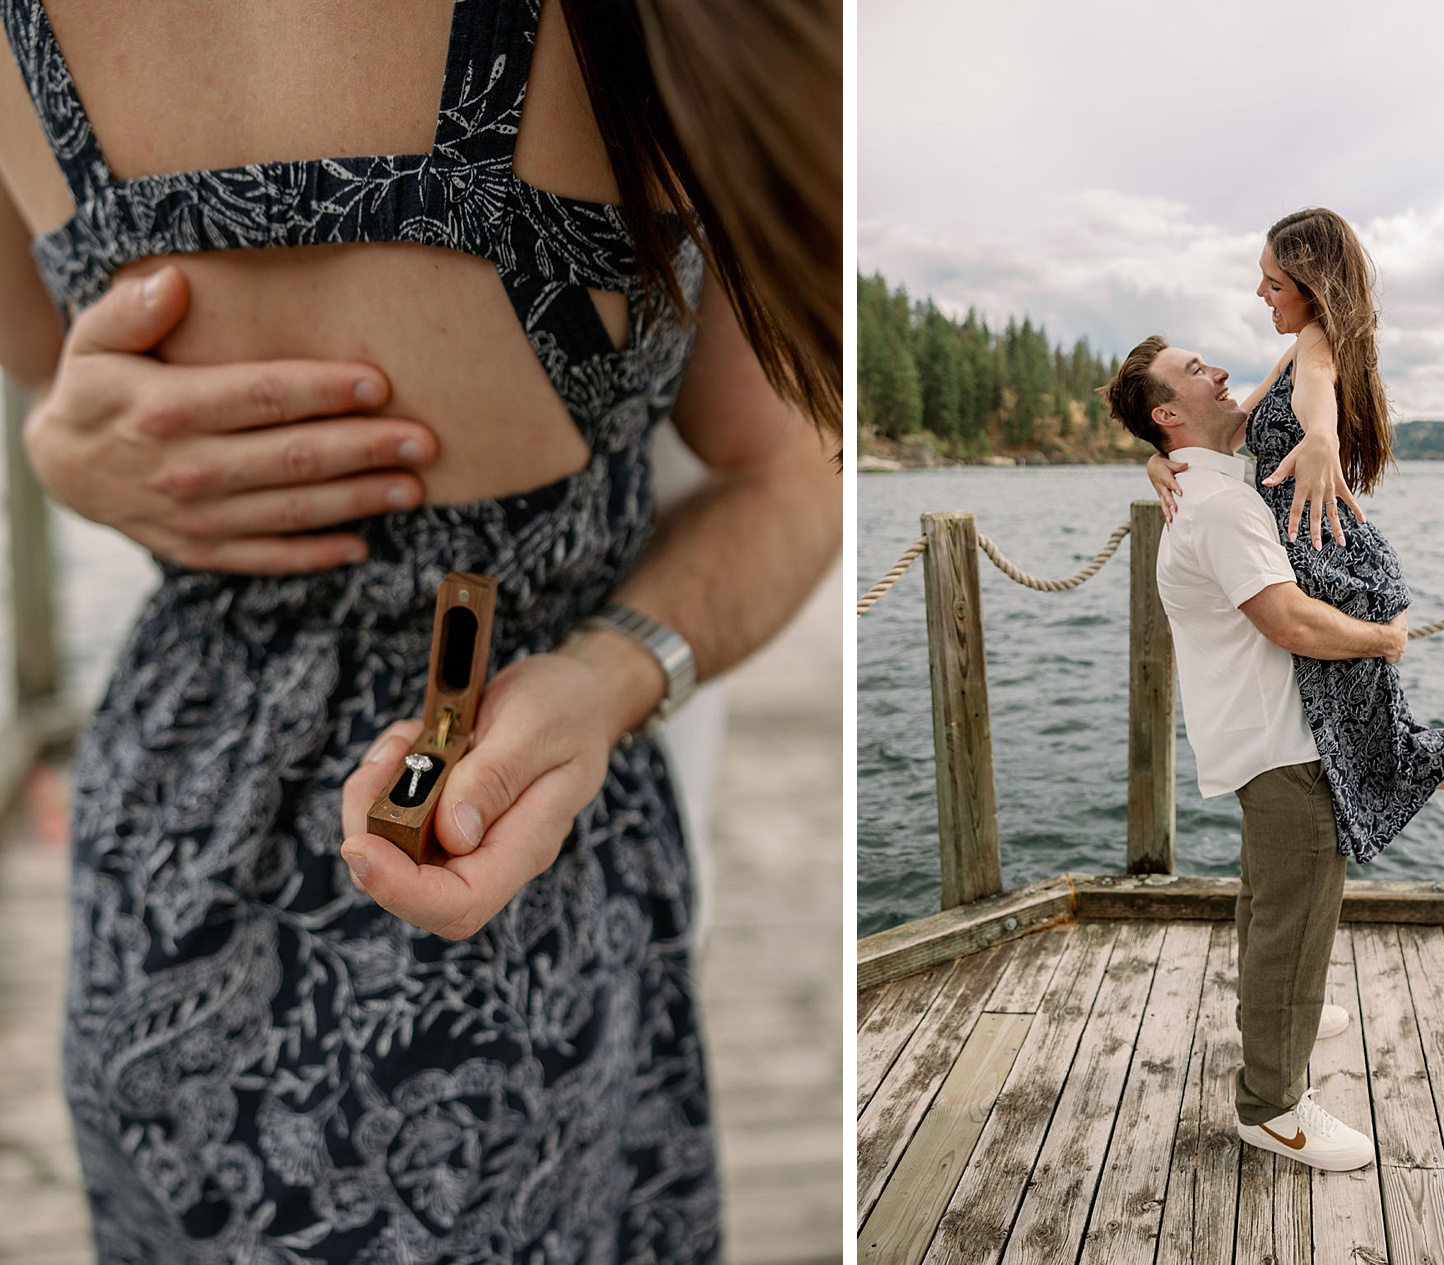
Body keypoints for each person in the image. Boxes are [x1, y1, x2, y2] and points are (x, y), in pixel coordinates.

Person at [0, 1, 840, 1260]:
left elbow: (52, 369)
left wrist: (60, 446)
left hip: (193, 839)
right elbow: (793, 466)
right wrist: (608, 675)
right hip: (505, 860)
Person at [1101, 335, 1444, 1171]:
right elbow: (1292, 621)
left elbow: (1295, 361)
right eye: (1197, 371)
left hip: (1258, 735)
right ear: (1167, 413)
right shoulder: (1225, 508)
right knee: (1293, 922)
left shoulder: (1207, 489)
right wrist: (1385, 638)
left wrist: (1160, 461)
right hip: (1285, 745)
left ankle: (1277, 1020)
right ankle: (1272, 1106)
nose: (1221, 372)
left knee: (1269, 904)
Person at [1146, 207, 1444, 862]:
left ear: (1311, 286)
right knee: (1371, 748)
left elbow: (1317, 395)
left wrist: (1321, 438)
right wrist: (1158, 457)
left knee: (1375, 750)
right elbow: (1224, 428)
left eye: (1274, 282)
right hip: (1333, 575)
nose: (1262, 294)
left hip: (1342, 582)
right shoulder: (1292, 350)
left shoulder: (1316, 345)